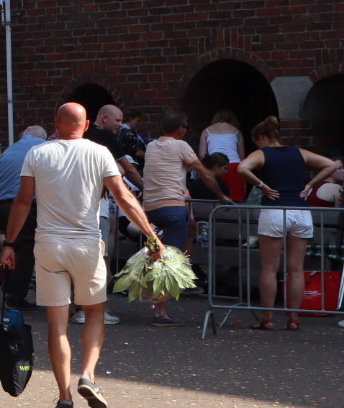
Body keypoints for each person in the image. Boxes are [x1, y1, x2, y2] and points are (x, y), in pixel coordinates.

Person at [4, 103, 161, 408]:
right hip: (86, 244)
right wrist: (150, 235)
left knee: (57, 324)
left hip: (48, 244)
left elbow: (23, 202)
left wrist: (9, 243)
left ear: (56, 123)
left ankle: (64, 398)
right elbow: (124, 197)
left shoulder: (36, 154)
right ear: (87, 124)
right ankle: (88, 375)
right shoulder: (100, 153)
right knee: (94, 312)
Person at [238, 117, 341, 331]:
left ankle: (267, 318)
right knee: (296, 269)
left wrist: (261, 185)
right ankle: (294, 318)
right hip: (301, 211)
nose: (256, 145)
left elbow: (242, 168)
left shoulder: (261, 154)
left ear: (263, 138)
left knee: (269, 268)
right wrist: (310, 184)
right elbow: (331, 165)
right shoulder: (300, 152)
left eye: (256, 141)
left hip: (275, 211)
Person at [142, 111, 229, 325]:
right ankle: (160, 312)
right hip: (172, 207)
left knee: (159, 258)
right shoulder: (181, 146)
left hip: (151, 209)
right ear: (181, 129)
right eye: (185, 127)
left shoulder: (151, 146)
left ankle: (157, 303)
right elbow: (206, 174)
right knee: (171, 261)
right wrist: (221, 196)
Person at [0, 125, 47, 307]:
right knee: (25, 251)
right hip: (22, 204)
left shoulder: (8, 151)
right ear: (42, 136)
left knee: (10, 247)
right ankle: (15, 298)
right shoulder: (43, 146)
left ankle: (8, 291)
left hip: (1, 204)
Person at [199, 110, 246, 202]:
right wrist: (244, 179)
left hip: (214, 166)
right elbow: (242, 157)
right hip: (234, 166)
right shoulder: (237, 132)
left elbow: (202, 155)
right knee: (235, 199)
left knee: (215, 198)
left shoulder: (206, 131)